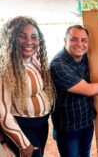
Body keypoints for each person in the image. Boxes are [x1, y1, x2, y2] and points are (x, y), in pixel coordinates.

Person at [50, 25, 98, 157]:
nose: (80, 44)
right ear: (65, 41)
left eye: (84, 40)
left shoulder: (85, 58)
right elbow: (88, 90)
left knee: (85, 154)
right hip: (68, 128)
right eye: (74, 39)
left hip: (86, 122)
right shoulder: (58, 65)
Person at [0, 16, 55, 157]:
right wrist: (23, 144)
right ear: (11, 38)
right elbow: (3, 114)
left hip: (42, 125)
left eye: (34, 37)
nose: (29, 42)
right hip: (22, 127)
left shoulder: (35, 60)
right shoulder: (5, 69)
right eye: (22, 36)